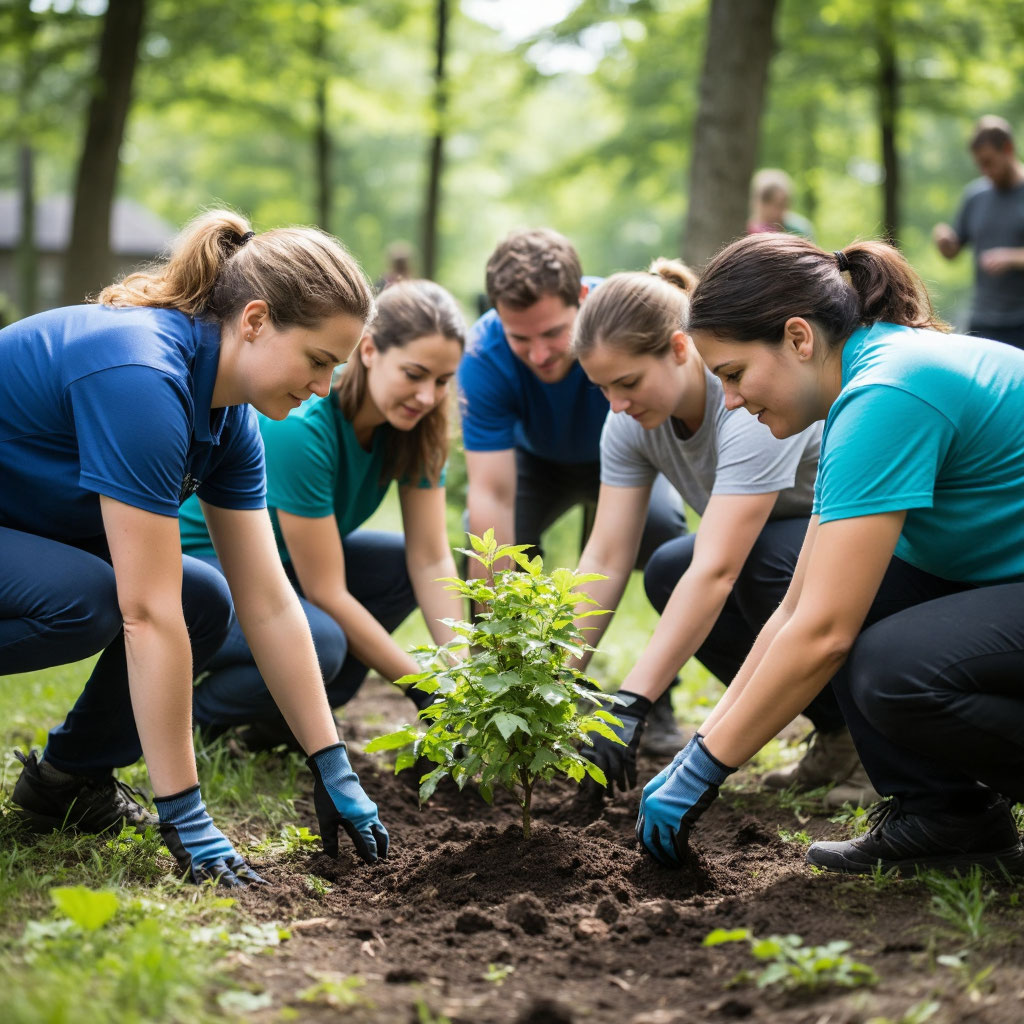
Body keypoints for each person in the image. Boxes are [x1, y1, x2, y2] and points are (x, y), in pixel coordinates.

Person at [1, 210, 388, 884]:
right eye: (319, 360)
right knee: (90, 603)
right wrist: (185, 813)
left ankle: (67, 781)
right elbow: (144, 613)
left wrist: (331, 762)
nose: (325, 388)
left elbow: (268, 603)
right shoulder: (140, 374)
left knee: (206, 597)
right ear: (257, 320)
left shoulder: (228, 417)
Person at [635, 232, 1024, 877]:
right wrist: (698, 753)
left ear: (797, 338)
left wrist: (706, 772)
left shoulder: (887, 394)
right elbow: (799, 605)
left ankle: (947, 812)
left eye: (733, 373)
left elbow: (822, 634)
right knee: (857, 609)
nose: (729, 400)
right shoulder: (865, 386)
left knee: (893, 666)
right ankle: (947, 819)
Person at [568, 261, 861, 807]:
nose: (617, 404)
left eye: (628, 382)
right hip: (774, 551)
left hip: (857, 552)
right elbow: (605, 555)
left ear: (680, 349)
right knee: (667, 568)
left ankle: (874, 739)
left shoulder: (745, 397)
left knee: (754, 564)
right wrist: (554, 685)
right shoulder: (627, 423)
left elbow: (718, 568)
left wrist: (632, 702)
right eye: (603, 388)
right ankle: (840, 735)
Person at [179, 279, 466, 745]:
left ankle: (277, 725)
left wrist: (463, 676)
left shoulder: (419, 428)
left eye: (442, 381)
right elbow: (327, 592)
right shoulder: (305, 424)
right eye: (414, 374)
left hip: (280, 564)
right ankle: (194, 718)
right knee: (322, 644)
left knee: (398, 568)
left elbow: (430, 559)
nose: (428, 396)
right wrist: (424, 689)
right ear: (369, 351)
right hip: (204, 571)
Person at [458, 228, 688, 754]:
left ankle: (658, 701)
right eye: (522, 338)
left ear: (582, 298)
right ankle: (507, 697)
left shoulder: (622, 321)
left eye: (553, 334)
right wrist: (495, 661)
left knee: (662, 532)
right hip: (536, 460)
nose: (539, 354)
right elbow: (491, 496)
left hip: (632, 448)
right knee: (483, 537)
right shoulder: (484, 355)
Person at [933, 116, 1024, 349]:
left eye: (989, 162)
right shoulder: (975, 197)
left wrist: (1011, 257)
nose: (985, 171)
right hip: (982, 321)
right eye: (979, 164)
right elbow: (953, 252)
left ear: (1008, 149)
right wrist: (945, 243)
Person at [747, 169, 815, 240]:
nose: (775, 212)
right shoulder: (748, 229)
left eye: (782, 205)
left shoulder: (799, 229)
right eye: (770, 203)